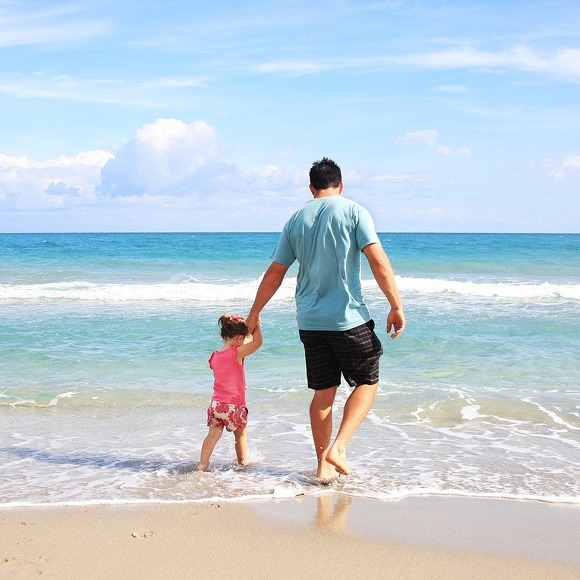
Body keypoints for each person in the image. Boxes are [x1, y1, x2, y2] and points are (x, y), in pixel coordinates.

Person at [246, 157, 405, 481]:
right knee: (367, 382)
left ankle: (322, 468)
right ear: (340, 185)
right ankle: (339, 448)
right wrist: (395, 305)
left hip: (310, 320)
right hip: (346, 318)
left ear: (311, 187)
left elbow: (276, 272)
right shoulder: (354, 211)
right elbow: (377, 261)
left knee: (323, 394)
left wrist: (254, 313)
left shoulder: (295, 219)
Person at [197, 313, 263, 471]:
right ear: (239, 339)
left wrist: (245, 331)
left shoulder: (214, 357)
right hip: (234, 406)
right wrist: (257, 325)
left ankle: (202, 464)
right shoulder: (236, 353)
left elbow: (226, 374)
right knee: (240, 434)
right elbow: (258, 342)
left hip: (216, 405)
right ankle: (242, 463)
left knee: (213, 435)